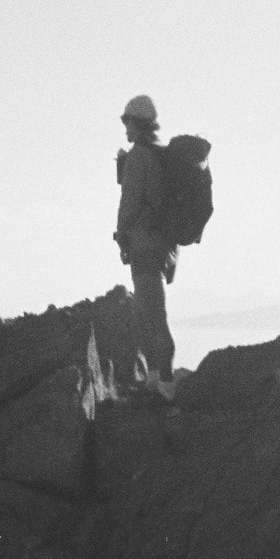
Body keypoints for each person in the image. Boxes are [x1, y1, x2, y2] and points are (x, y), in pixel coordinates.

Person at [114, 94, 178, 400]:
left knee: (152, 313)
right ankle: (155, 379)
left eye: (126, 121)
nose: (124, 127)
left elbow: (130, 202)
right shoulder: (157, 155)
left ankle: (165, 386)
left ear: (135, 123)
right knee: (148, 312)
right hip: (160, 244)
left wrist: (120, 233)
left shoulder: (139, 156)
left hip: (143, 243)